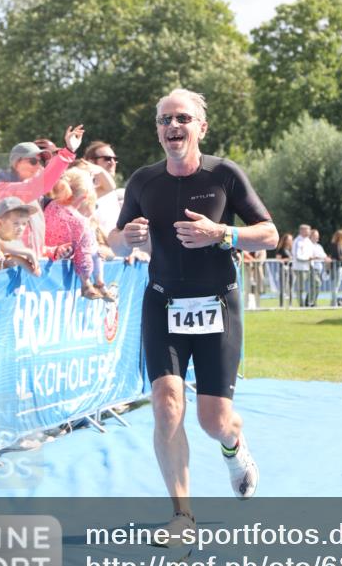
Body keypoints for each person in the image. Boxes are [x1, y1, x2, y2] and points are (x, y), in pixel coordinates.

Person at [111, 88, 277, 537]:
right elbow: (114, 240)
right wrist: (127, 237)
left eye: (182, 118)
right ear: (158, 131)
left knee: (213, 420)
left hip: (218, 304)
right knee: (167, 405)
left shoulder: (224, 175)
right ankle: (182, 516)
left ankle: (234, 444)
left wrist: (222, 233)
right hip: (162, 302)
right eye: (165, 119)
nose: (173, 126)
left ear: (201, 127)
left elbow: (270, 234)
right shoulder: (144, 182)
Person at [0, 125, 84, 259]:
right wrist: (68, 152)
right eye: (32, 161)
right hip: (11, 267)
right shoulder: (7, 190)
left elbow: (32, 245)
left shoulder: (30, 196)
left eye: (40, 161)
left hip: (25, 267)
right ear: (16, 163)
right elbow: (40, 184)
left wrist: (53, 251)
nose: (38, 166)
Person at [45, 169, 116, 301]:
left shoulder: (49, 206)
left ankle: (98, 283)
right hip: (61, 256)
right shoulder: (79, 221)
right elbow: (83, 254)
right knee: (94, 249)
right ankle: (93, 284)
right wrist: (86, 278)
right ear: (85, 197)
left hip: (45, 255)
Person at [0, 197, 41, 276]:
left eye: (24, 223)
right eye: (16, 223)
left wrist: (17, 259)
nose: (21, 228)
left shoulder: (19, 244)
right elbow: (0, 245)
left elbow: (36, 273)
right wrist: (28, 253)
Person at [83, 140, 122, 239]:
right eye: (107, 158)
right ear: (91, 162)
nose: (112, 162)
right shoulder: (85, 189)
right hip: (98, 246)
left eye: (115, 159)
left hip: (115, 246)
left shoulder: (112, 193)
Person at [291, 223, 314, 306]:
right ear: (302, 231)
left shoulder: (308, 241)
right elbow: (297, 256)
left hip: (308, 266)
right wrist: (307, 258)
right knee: (300, 287)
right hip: (300, 267)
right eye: (307, 230)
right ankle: (301, 304)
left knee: (313, 284)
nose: (309, 232)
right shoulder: (298, 241)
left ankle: (309, 302)